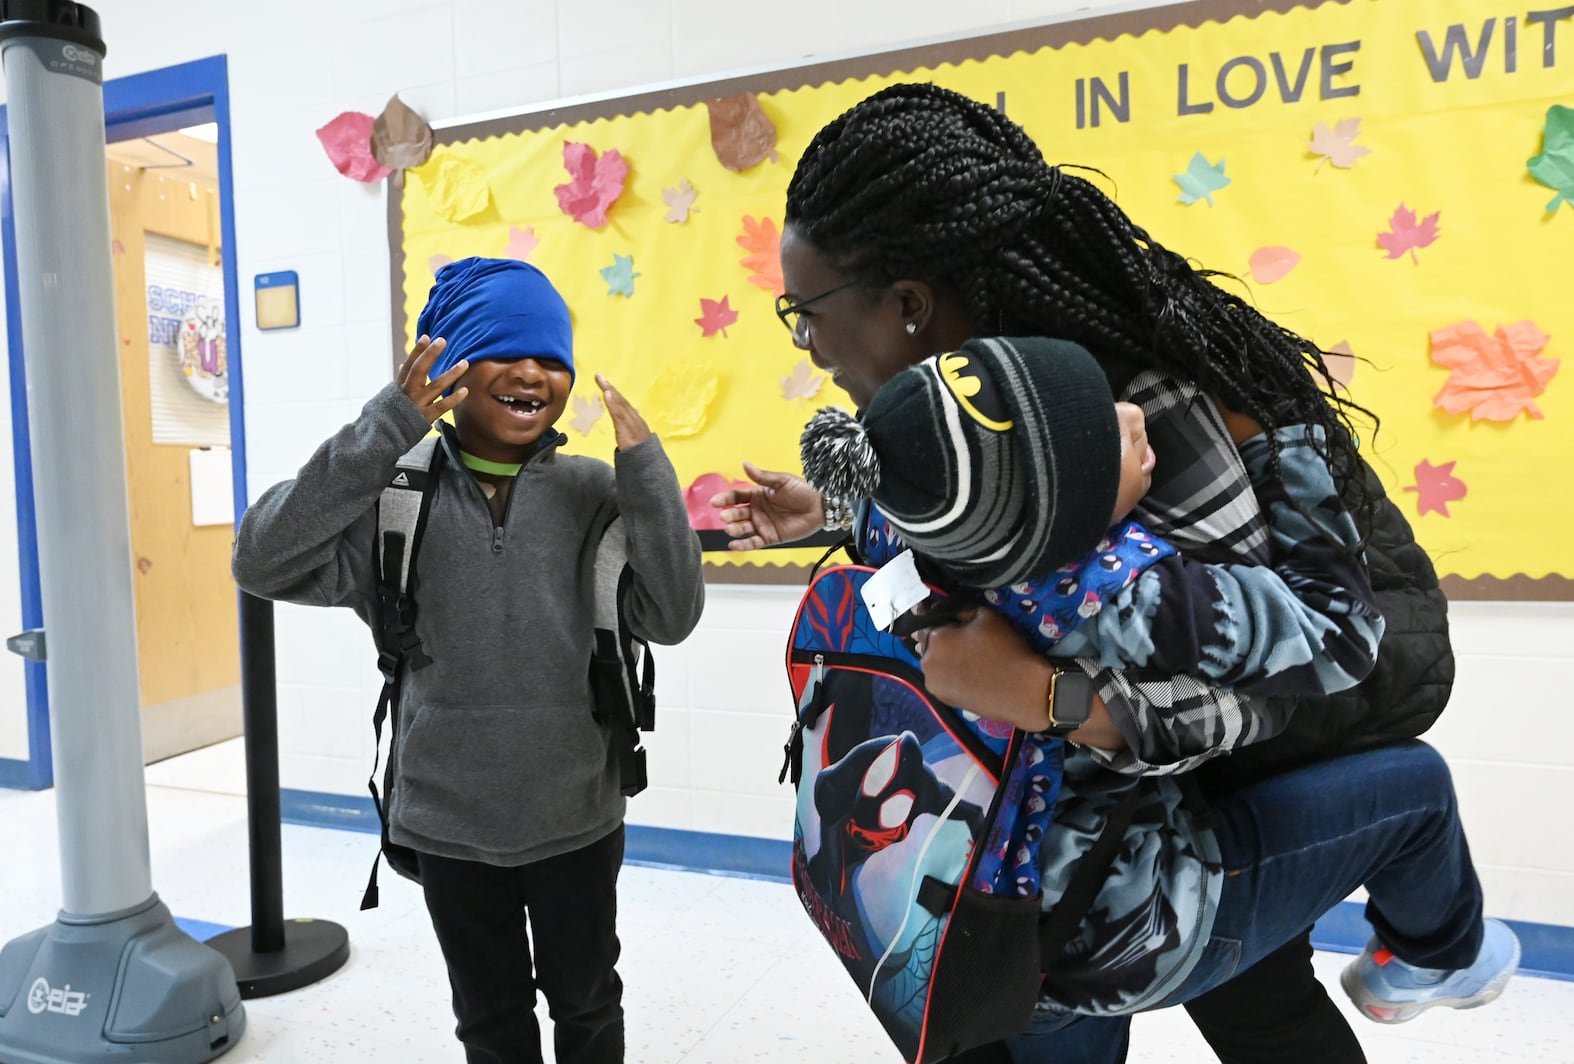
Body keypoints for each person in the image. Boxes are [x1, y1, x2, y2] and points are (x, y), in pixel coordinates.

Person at [711, 84, 1506, 1063]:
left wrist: (1051, 692)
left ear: (908, 303)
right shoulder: (981, 425)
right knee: (1262, 994)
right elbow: (968, 521)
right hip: (1043, 885)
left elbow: (1270, 684)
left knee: (1260, 1000)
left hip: (1058, 878)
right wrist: (841, 512)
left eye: (806, 312)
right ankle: (1441, 949)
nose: (808, 342)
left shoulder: (1125, 411)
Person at [231, 257, 705, 1064]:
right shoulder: (394, 498)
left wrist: (647, 470)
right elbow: (261, 559)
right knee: (490, 1022)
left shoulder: (593, 491)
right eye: (503, 349)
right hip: (449, 821)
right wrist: (385, 429)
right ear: (447, 365)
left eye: (551, 357)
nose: (532, 373)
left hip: (577, 817)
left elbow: (672, 614)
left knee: (588, 1004)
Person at [796, 335, 1384, 701]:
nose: (1133, 415)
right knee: (1420, 789)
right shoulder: (1121, 597)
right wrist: (1286, 436)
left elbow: (887, 501)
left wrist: (829, 506)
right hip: (1131, 892)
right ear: (1060, 530)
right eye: (1101, 444)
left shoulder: (915, 526)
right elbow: (1341, 641)